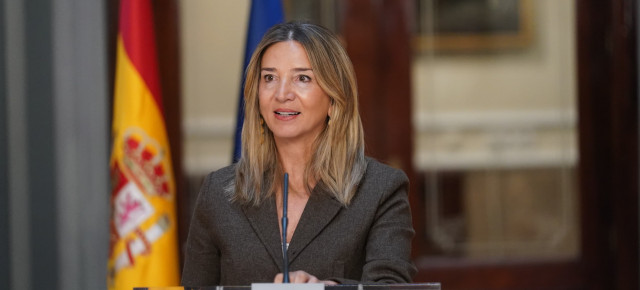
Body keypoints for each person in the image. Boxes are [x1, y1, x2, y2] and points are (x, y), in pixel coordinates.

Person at [181, 21, 416, 286]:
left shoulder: (380, 190)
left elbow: (390, 285)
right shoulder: (218, 191)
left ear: (334, 98)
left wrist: (327, 288)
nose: (282, 94)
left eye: (302, 78)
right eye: (269, 78)